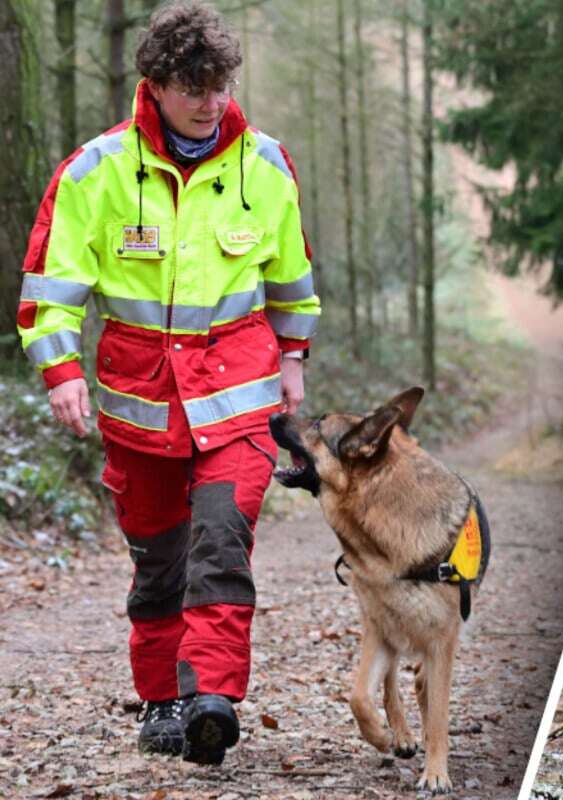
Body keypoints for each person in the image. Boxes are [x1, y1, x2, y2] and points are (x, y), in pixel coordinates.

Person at [16, 1, 319, 765]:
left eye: (219, 84)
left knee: (222, 541)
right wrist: (61, 371)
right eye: (192, 86)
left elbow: (291, 280)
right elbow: (51, 286)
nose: (210, 101)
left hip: (241, 393)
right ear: (154, 84)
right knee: (161, 561)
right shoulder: (95, 170)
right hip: (140, 401)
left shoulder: (267, 166)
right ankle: (161, 700)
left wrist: (292, 359)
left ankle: (212, 696)